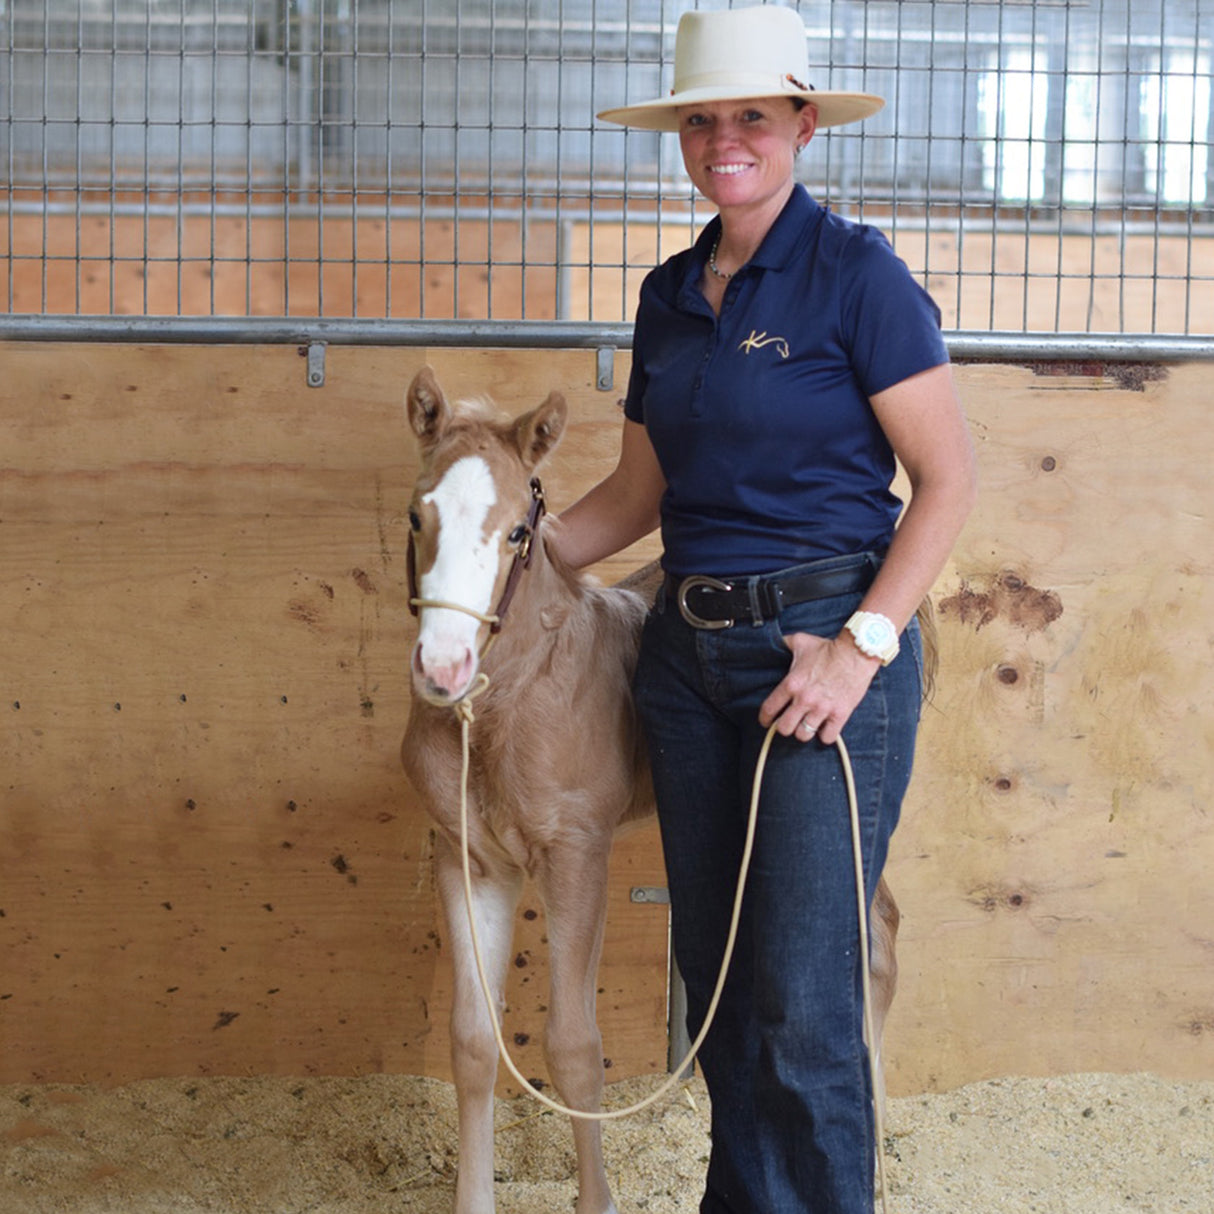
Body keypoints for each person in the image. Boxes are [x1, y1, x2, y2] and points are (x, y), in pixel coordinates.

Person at [551, 6, 977, 1212]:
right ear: (680, 136)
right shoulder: (668, 294)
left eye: (751, 116)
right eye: (701, 118)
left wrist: (861, 650)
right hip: (683, 659)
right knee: (722, 986)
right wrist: (507, 558)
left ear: (799, 125)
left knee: (799, 998)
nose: (724, 139)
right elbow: (637, 491)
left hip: (819, 651)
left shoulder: (857, 275)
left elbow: (945, 484)